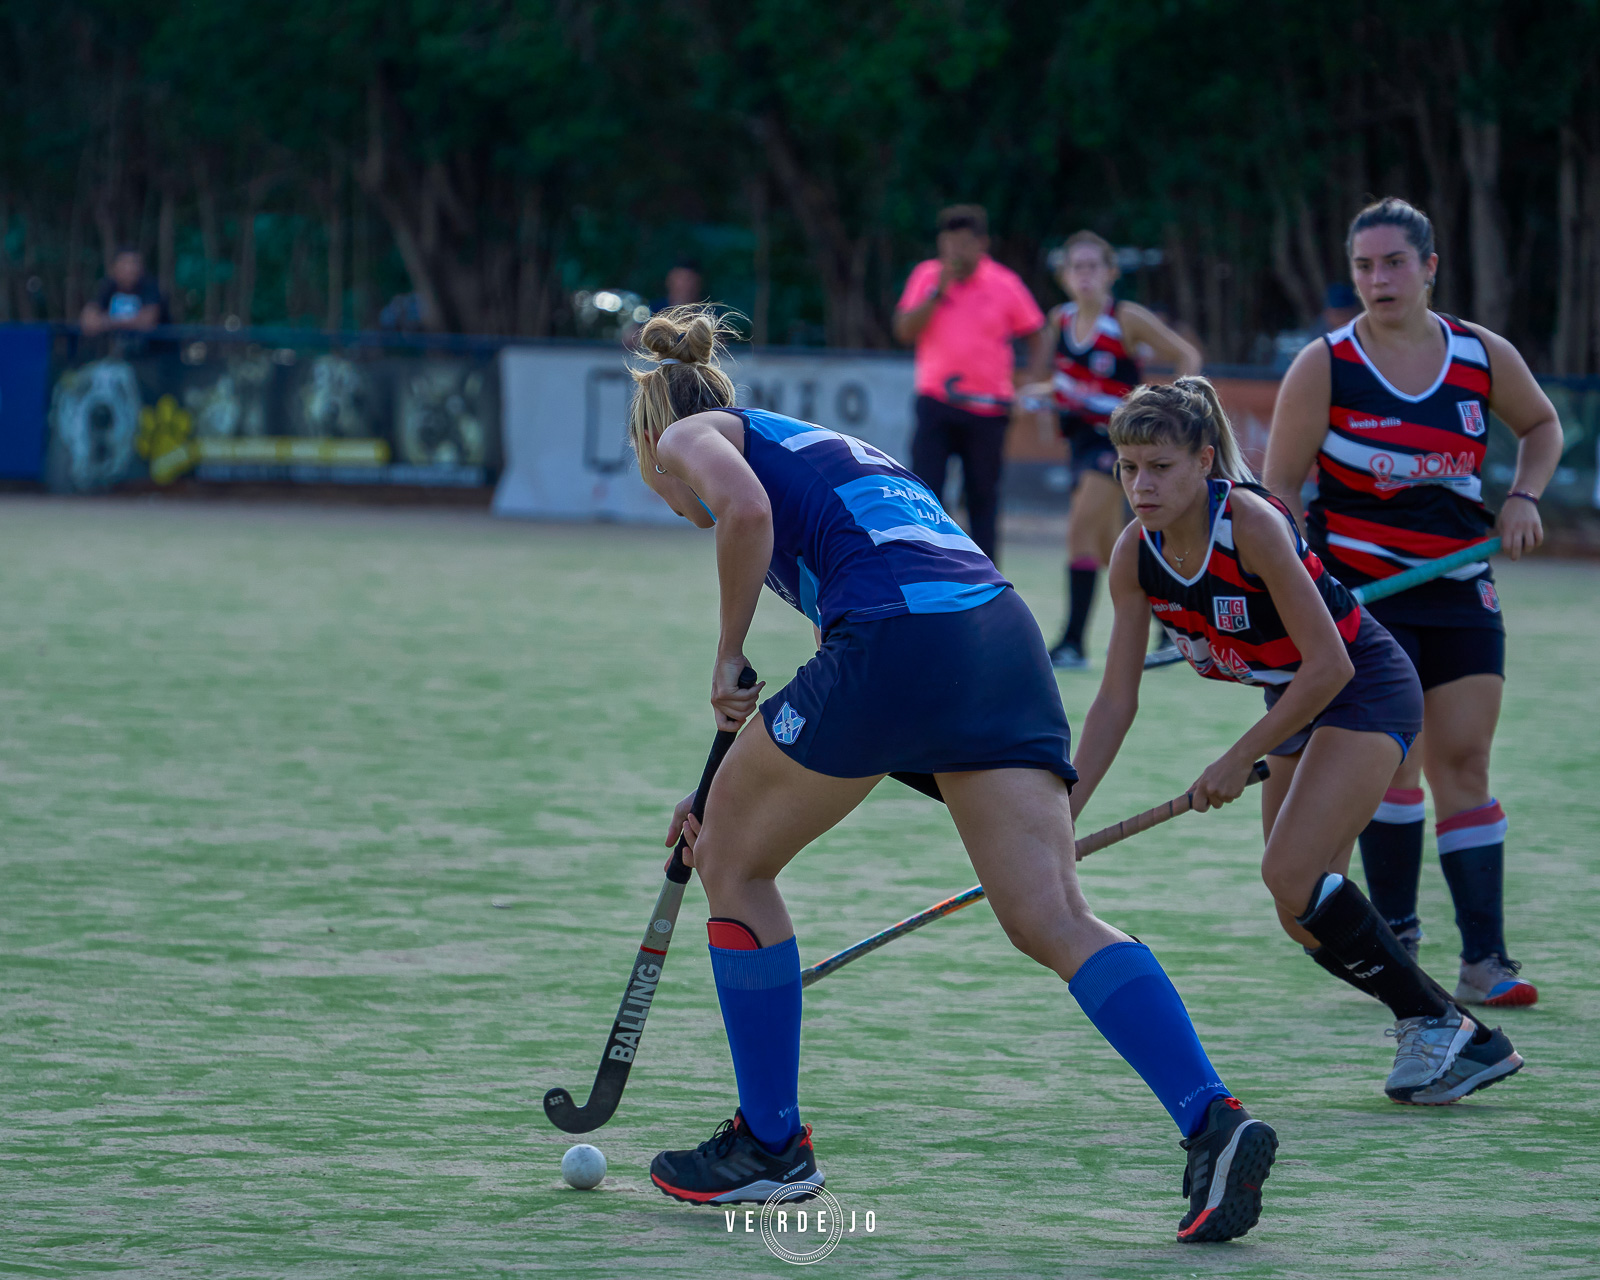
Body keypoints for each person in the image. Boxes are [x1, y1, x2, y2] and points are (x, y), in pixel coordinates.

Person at [631, 305, 1277, 1244]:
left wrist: (726, 655)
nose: (662, 483)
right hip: (998, 640)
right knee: (1050, 913)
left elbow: (746, 512)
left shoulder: (693, 432)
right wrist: (726, 784)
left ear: (654, 438)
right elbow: (849, 664)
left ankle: (770, 1147)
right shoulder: (822, 449)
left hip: (900, 639)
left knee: (733, 866)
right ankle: (1211, 1120)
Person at [1072, 378, 1524, 1106]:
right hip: (1295, 698)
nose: (1140, 485)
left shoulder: (1248, 523)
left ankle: (1443, 1025)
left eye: (1159, 466)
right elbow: (1115, 700)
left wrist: (1233, 757)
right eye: (1128, 467)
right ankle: (1445, 1026)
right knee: (1301, 910)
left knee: (1289, 870)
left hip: (1363, 685)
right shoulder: (1136, 553)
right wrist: (1059, 816)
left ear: (1204, 461)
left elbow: (1332, 665)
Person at [1264, 198, 1564, 1008]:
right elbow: (1281, 491)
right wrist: (1296, 583)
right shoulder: (1326, 363)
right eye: (1364, 266)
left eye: (1394, 262)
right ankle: (1398, 941)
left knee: (1464, 761)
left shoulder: (1477, 354)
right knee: (1395, 768)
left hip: (1461, 590)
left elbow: (1540, 425)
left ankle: (1486, 961)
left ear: (1429, 267)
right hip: (1363, 600)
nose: (1378, 279)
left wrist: (1524, 496)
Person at [1019, 230, 1203, 670]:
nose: (1084, 274)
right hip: (1079, 440)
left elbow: (1187, 357)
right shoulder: (1059, 320)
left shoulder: (1125, 317)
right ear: (1064, 276)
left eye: (1092, 266)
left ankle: (1072, 644)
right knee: (1106, 548)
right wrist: (1038, 393)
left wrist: (1171, 410)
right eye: (1075, 266)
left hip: (1119, 442)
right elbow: (1070, 384)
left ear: (1110, 273)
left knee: (1080, 530)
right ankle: (1173, 623)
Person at [893, 205, 1048, 566]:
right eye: (949, 244)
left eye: (964, 244)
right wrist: (937, 293)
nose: (956, 253)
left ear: (982, 244)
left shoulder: (1005, 283)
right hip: (936, 401)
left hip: (989, 408)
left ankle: (985, 577)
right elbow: (903, 330)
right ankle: (925, 564)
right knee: (923, 490)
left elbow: (1039, 335)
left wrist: (1028, 386)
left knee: (983, 497)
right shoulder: (927, 276)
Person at [79, 247, 166, 337]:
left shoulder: (150, 286)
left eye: (134, 263)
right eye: (125, 263)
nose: (130, 269)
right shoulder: (107, 286)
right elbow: (89, 318)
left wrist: (106, 322)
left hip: (157, 348)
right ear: (114, 268)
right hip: (113, 347)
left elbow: (147, 321)